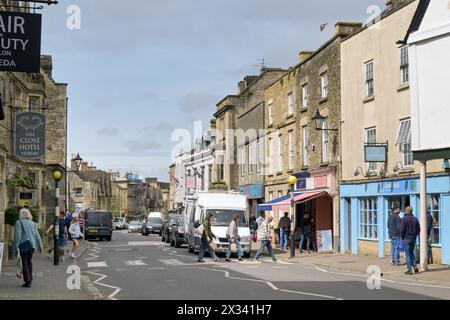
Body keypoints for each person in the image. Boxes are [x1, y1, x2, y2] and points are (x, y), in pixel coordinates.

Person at [14, 208, 43, 288]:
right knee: (29, 261)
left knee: (24, 262)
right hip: (32, 246)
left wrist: (15, 247)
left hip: (24, 245)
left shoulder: (18, 222)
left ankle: (27, 281)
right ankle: (30, 278)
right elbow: (37, 236)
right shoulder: (33, 223)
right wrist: (41, 247)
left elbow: (17, 236)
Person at [400, 207, 421, 275]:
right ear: (411, 211)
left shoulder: (404, 219)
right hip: (413, 238)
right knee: (411, 253)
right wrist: (415, 234)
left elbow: (402, 229)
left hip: (406, 238)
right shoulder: (415, 219)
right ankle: (415, 267)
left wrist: (401, 236)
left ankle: (409, 269)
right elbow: (418, 229)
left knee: (408, 254)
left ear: (406, 211)